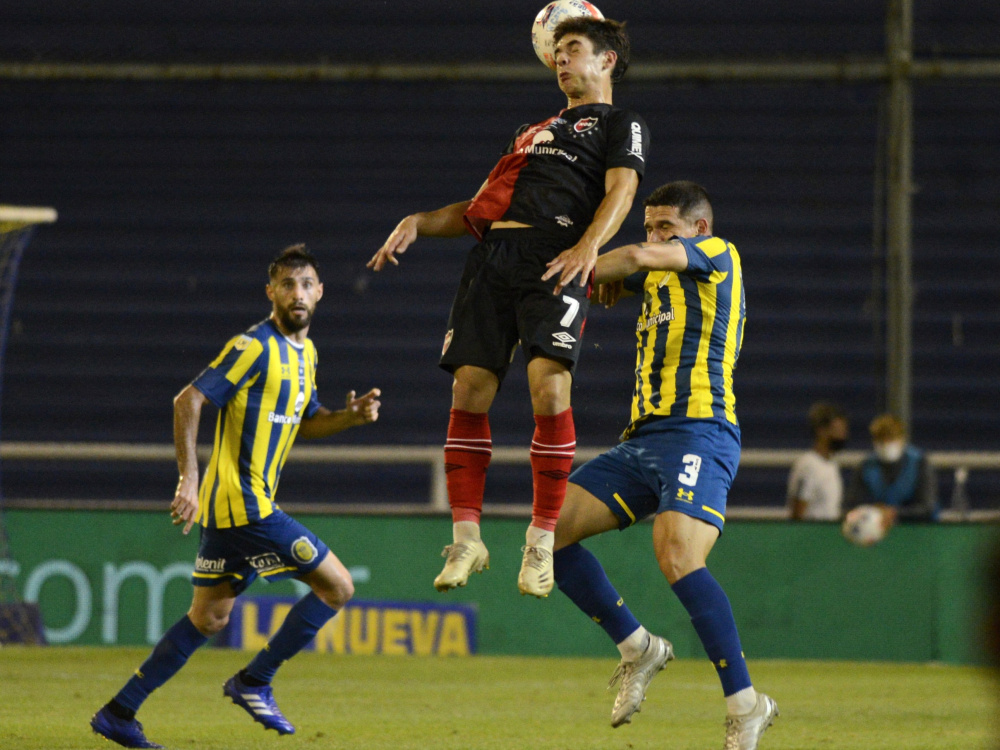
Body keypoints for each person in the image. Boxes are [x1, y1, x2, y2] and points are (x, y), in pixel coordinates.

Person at [368, 16, 649, 597]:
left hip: (556, 258)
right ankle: (466, 538)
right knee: (468, 390)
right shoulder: (530, 131)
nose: (560, 59)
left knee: (549, 389)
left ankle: (541, 539)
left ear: (607, 60)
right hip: (493, 259)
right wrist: (419, 221)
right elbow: (480, 207)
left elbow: (622, 191)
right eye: (557, 51)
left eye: (573, 49)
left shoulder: (621, 123)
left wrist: (588, 247)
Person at [90, 246, 381, 748]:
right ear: (271, 292)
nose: (297, 293)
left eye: (306, 284)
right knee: (337, 587)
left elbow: (307, 422)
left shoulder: (307, 355)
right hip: (245, 505)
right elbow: (188, 399)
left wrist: (348, 418)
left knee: (208, 618)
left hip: (233, 513)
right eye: (287, 284)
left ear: (320, 292)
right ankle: (254, 680)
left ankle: (119, 712)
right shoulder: (253, 346)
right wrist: (188, 477)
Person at [549, 182, 778, 750]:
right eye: (649, 227)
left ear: (699, 229)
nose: (653, 237)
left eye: (665, 229)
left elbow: (627, 257)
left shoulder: (718, 253)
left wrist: (580, 262)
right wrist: (592, 276)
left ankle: (745, 705)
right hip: (643, 439)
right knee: (550, 533)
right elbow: (619, 272)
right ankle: (638, 648)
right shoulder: (657, 275)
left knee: (677, 553)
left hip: (701, 428)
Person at [845, 413, 939, 526]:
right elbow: (851, 504)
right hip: (878, 527)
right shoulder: (866, 466)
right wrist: (873, 512)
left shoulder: (920, 463)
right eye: (881, 439)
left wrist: (895, 513)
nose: (885, 444)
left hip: (917, 528)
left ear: (902, 439)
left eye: (890, 438)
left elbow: (927, 508)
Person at [787, 401, 849, 521]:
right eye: (837, 430)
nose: (842, 435)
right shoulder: (808, 465)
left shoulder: (831, 464)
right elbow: (798, 513)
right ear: (821, 431)